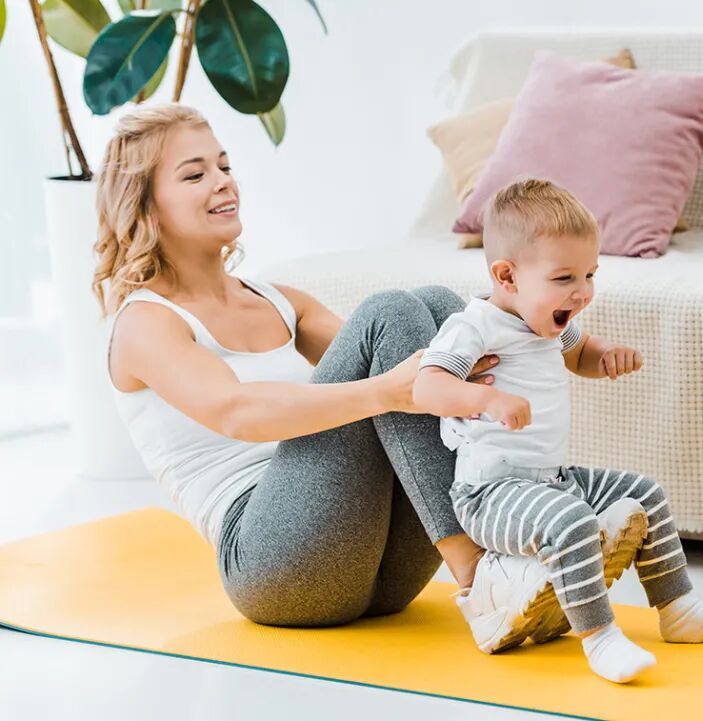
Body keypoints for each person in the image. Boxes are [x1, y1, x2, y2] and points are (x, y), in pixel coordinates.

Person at [94, 104, 625, 643]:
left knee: (439, 310)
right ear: (147, 207)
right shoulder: (145, 322)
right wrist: (389, 391)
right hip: (275, 565)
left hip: (380, 569)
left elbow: (401, 355)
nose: (223, 181)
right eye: (195, 174)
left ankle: (521, 526)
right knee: (390, 313)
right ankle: (479, 575)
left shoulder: (280, 302)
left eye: (225, 166)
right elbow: (238, 413)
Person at [413, 179, 703, 684]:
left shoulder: (549, 323)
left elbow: (581, 355)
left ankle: (679, 609)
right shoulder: (475, 327)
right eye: (565, 277)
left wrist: (607, 356)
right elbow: (427, 388)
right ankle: (599, 637)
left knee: (645, 494)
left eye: (590, 274)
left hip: (553, 480)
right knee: (572, 522)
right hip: (490, 494)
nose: (583, 291)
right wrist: (487, 399)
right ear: (507, 276)